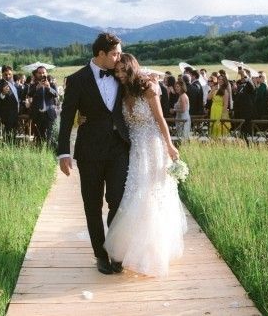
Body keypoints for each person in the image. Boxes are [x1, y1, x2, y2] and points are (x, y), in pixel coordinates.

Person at [104, 53, 187, 277]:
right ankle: (130, 251)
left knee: (151, 195)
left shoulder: (148, 87)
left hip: (154, 147)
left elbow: (160, 120)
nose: (119, 74)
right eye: (117, 71)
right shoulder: (122, 89)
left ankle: (152, 254)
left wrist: (170, 147)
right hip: (135, 150)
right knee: (134, 194)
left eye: (123, 70)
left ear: (132, 68)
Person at [57, 33, 130, 275]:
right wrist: (63, 152)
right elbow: (67, 117)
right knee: (92, 204)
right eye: (115, 53)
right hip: (89, 151)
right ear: (101, 54)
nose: (119, 57)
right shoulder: (77, 80)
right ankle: (100, 254)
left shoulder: (122, 75)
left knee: (118, 201)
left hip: (119, 148)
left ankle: (116, 250)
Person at [28, 66, 58, 146]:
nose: (42, 74)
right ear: (37, 74)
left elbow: (56, 94)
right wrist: (37, 88)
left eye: (43, 72)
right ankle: (39, 155)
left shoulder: (51, 84)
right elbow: (29, 94)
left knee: (49, 137)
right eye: (40, 73)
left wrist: (48, 88)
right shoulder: (33, 85)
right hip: (37, 115)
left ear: (46, 73)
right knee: (38, 137)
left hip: (49, 114)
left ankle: (48, 154)